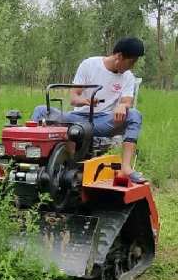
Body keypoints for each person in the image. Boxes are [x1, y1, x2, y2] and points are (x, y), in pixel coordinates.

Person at [32, 37, 147, 183]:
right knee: (41, 110)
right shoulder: (89, 64)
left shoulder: (128, 77)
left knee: (135, 115)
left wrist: (122, 106)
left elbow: (127, 101)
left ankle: (126, 167)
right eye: (131, 62)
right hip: (78, 118)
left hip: (103, 122)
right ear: (119, 57)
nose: (132, 66)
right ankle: (35, 160)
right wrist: (86, 101)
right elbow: (74, 98)